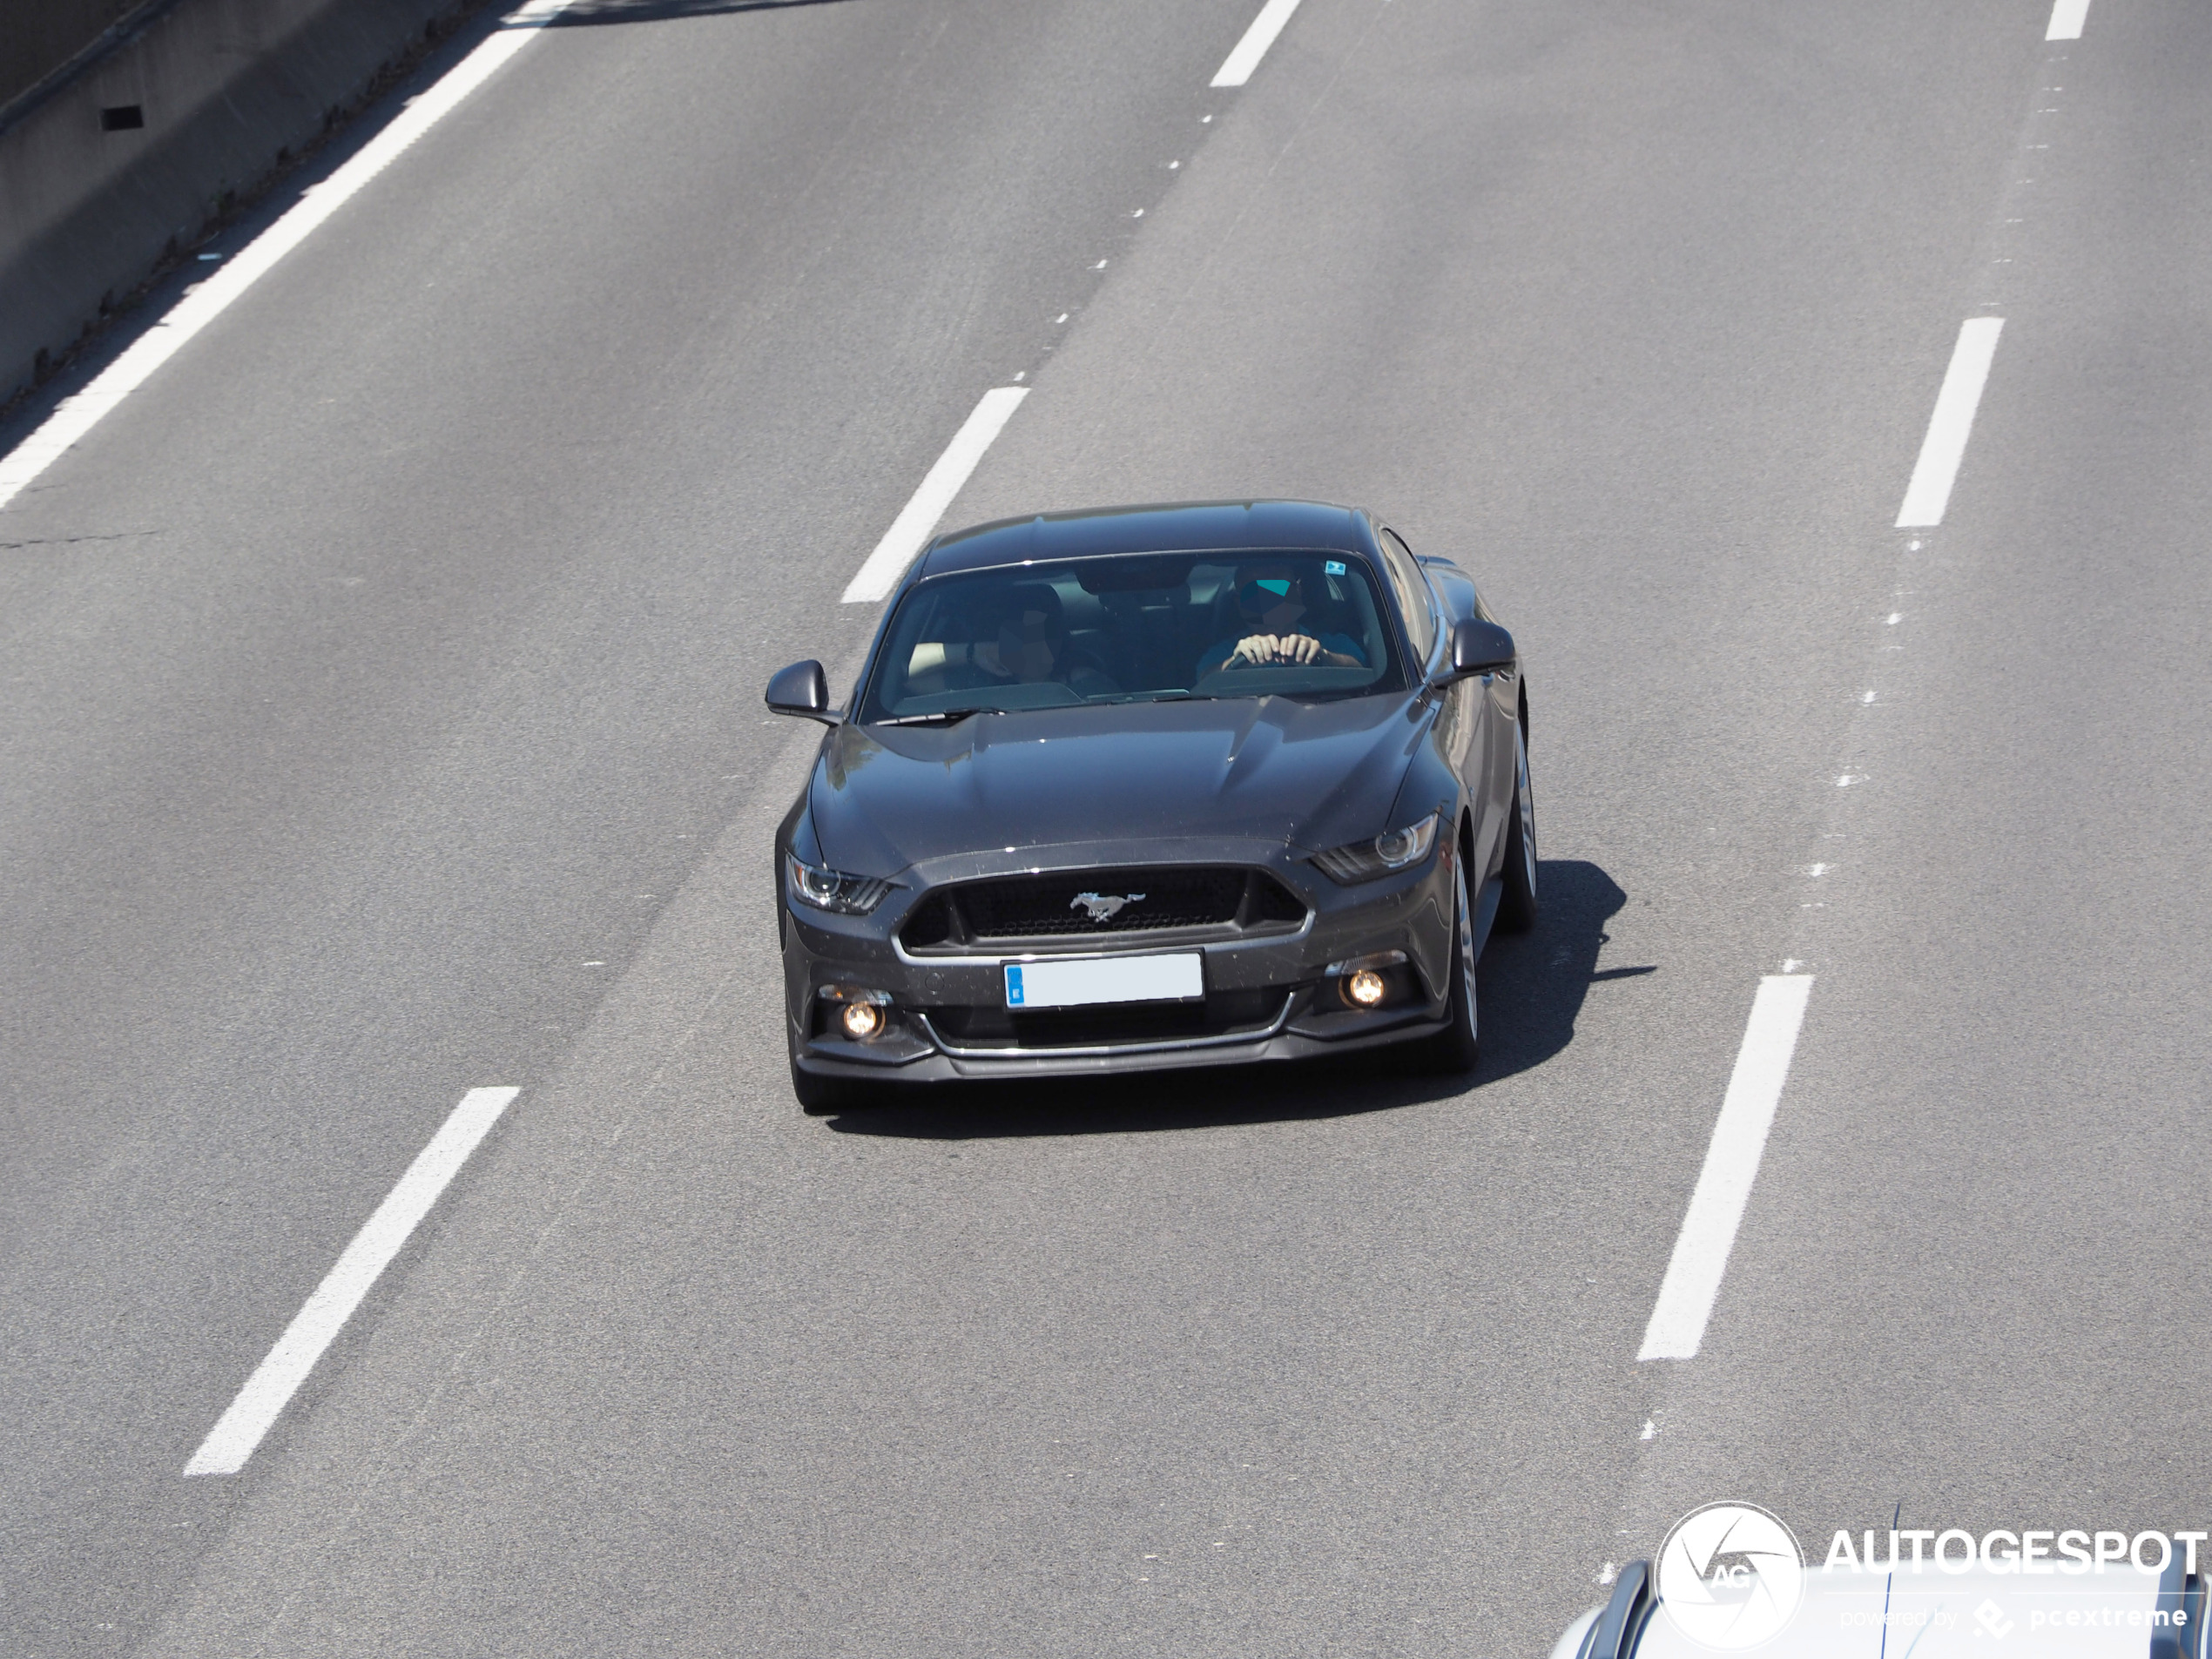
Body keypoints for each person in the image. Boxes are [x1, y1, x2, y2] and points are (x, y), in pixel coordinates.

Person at [1196, 563, 1367, 678]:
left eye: (1279, 593)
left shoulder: (1332, 644)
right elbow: (1204, 680)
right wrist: (1236, 663)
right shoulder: (1225, 652)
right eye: (1256, 596)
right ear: (1239, 603)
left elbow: (1361, 671)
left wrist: (1323, 656)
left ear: (1298, 592)